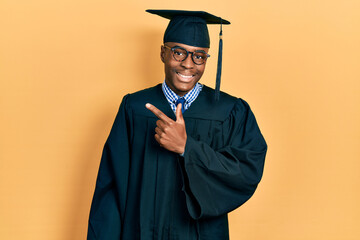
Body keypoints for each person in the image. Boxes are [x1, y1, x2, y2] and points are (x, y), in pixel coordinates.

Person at [87, 9, 267, 240]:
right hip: (141, 232)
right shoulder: (134, 107)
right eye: (179, 53)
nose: (188, 65)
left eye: (199, 56)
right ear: (163, 53)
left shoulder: (230, 111)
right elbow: (111, 186)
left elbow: (246, 171)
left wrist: (187, 148)